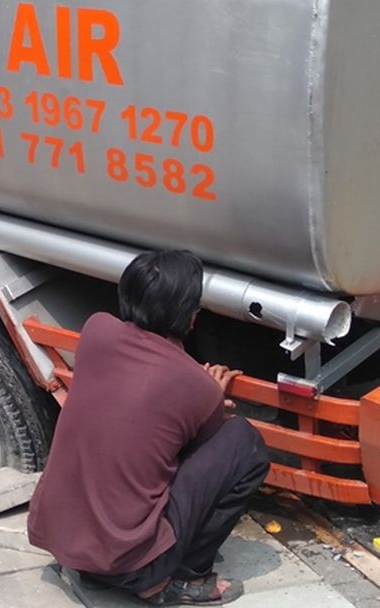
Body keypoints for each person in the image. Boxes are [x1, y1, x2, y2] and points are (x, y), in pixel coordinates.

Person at [27, 249, 270, 605]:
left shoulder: (97, 330)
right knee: (243, 442)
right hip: (130, 565)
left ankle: (99, 567)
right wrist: (209, 395)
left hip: (61, 541)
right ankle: (185, 577)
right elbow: (200, 444)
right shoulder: (196, 385)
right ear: (190, 317)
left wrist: (192, 390)